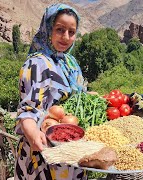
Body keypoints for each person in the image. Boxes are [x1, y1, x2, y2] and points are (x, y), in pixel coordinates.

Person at [14, 3, 88, 180]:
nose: (66, 37)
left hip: (70, 148)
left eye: (71, 32)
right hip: (43, 151)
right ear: (48, 29)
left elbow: (78, 96)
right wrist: (33, 135)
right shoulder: (36, 64)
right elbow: (27, 111)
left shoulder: (71, 63)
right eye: (60, 29)